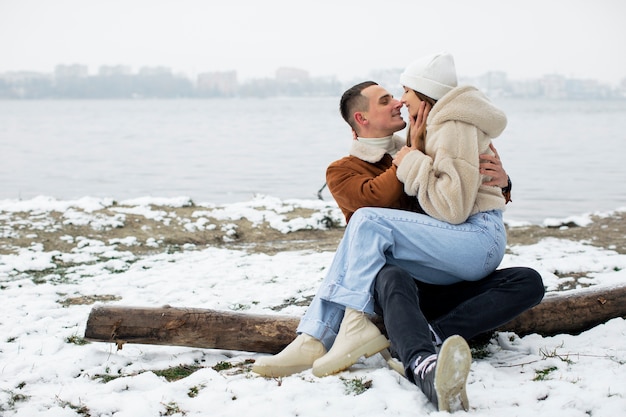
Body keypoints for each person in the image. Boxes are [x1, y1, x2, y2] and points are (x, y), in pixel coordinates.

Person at [253, 67, 544, 411]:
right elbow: (376, 203)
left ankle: (330, 335)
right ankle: (417, 360)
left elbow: (458, 195)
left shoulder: (419, 145)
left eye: (398, 96)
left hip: (444, 265)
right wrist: (411, 152)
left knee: (528, 280)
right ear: (362, 118)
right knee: (383, 259)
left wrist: (502, 183)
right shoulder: (344, 170)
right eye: (386, 100)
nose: (399, 103)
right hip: (399, 284)